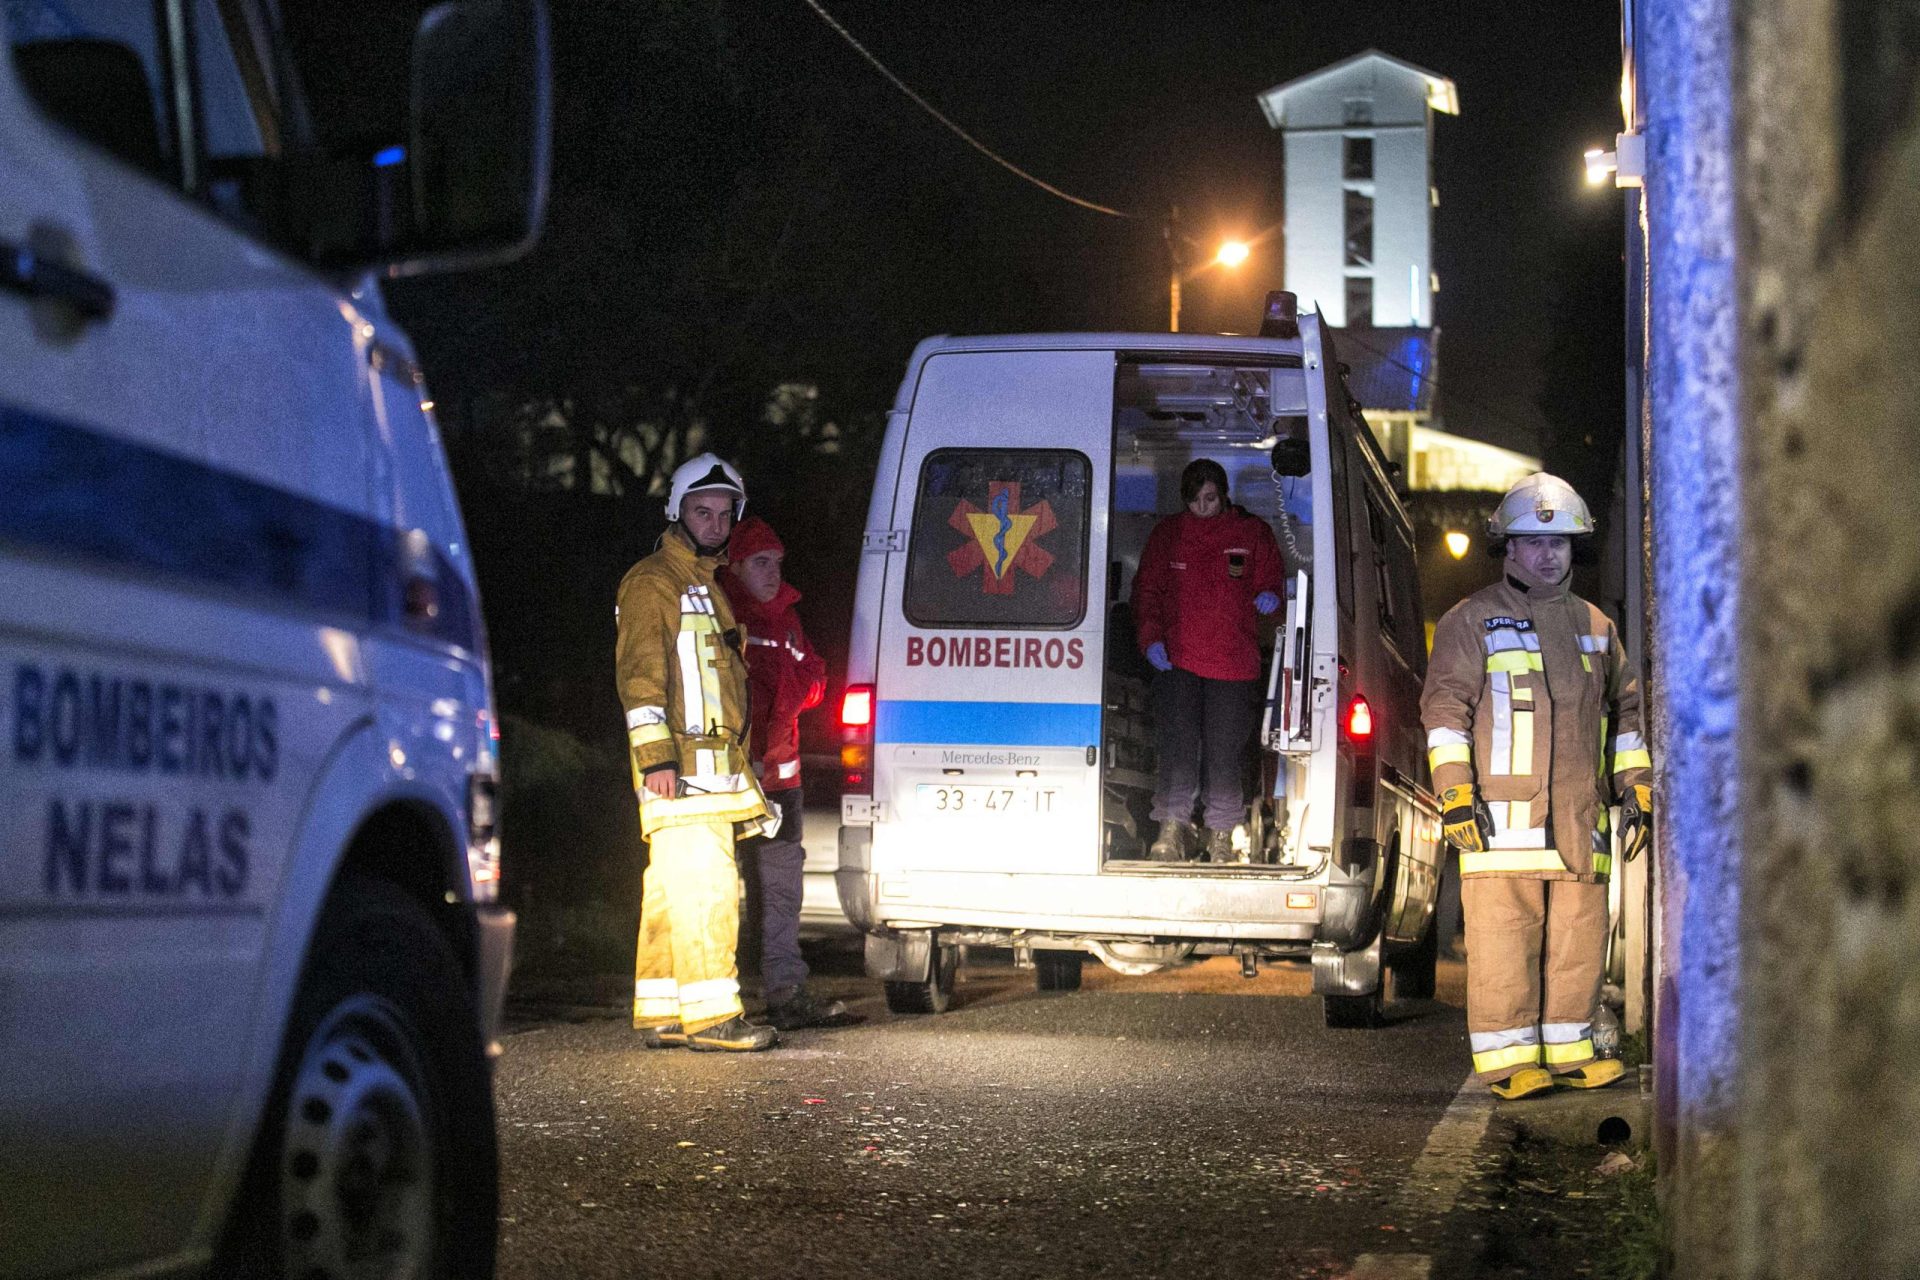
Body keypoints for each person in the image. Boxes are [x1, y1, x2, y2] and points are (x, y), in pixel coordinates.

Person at [1420, 472, 1654, 1100]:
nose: (1548, 554)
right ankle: (1508, 1062)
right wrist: (1456, 793)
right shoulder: (1471, 621)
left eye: (1560, 544)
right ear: (1508, 548)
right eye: (1532, 543)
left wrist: (1636, 787)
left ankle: (1572, 1052)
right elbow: (1446, 713)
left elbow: (1625, 719)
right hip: (1501, 822)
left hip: (1580, 821)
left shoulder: (1598, 628)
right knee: (1505, 942)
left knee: (1579, 941)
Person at [617, 453, 781, 1053]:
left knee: (670, 891)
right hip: (681, 771)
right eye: (701, 510)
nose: (714, 522)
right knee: (708, 888)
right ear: (676, 511)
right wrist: (656, 758)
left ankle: (663, 1009)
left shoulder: (709, 585)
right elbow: (640, 677)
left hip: (707, 769)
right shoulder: (652, 581)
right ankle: (714, 1019)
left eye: (723, 513)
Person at [718, 515, 853, 1031]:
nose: (772, 573)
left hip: (782, 783)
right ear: (736, 566)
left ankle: (785, 993)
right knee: (720, 889)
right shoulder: (722, 612)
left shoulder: (788, 618)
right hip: (732, 780)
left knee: (781, 892)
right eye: (760, 563)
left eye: (776, 563)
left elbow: (815, 678)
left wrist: (791, 694)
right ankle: (719, 998)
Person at [1130, 458, 1284, 861]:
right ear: (1185, 499)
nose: (1203, 506)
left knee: (1224, 751)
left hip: (1232, 664)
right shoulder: (1168, 535)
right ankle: (1172, 827)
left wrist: (1271, 595)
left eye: (1210, 498)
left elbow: (1272, 581)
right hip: (1177, 660)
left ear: (1223, 494)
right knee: (1178, 747)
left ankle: (1220, 833)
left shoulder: (1251, 533)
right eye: (1195, 499)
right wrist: (1150, 640)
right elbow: (1147, 592)